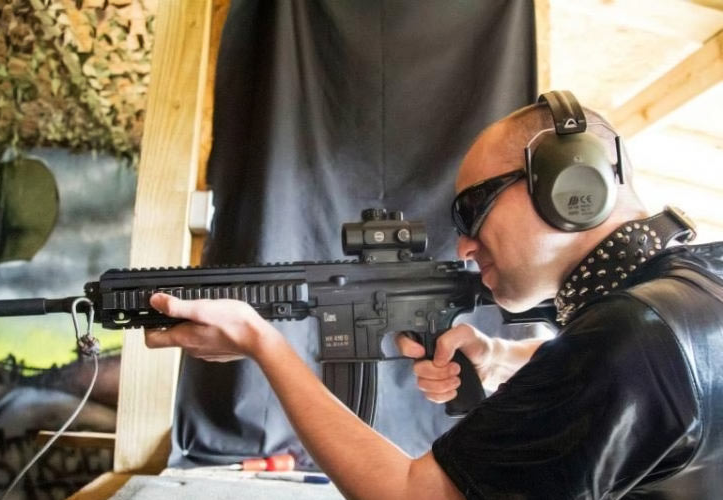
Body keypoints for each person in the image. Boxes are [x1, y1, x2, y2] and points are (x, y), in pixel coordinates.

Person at [144, 92, 723, 499]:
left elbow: (415, 496)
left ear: (570, 186)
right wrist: (503, 357)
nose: (465, 246)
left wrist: (261, 342)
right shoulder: (695, 286)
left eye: (471, 210)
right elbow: (643, 389)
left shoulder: (631, 338)